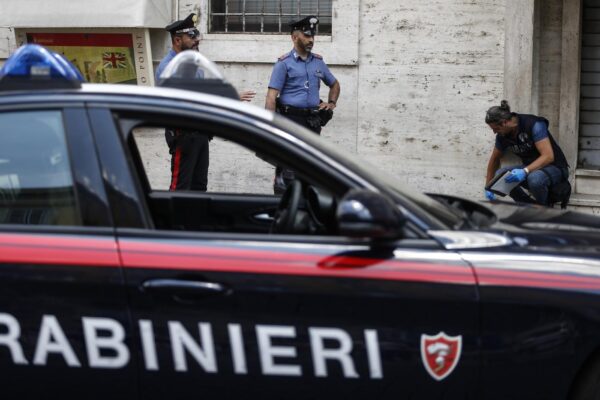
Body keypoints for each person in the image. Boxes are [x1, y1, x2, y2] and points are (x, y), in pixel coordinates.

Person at [155, 13, 256, 191]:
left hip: (200, 132)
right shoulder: (168, 67)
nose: (196, 40)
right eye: (191, 36)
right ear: (177, 40)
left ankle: (195, 219)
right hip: (183, 134)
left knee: (199, 186)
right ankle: (175, 220)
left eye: (196, 35)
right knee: (181, 186)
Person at [265, 16, 340, 194]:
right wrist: (269, 127)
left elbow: (334, 84)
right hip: (290, 120)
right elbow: (270, 97)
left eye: (312, 36)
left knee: (310, 168)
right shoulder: (284, 64)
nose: (311, 40)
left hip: (312, 122)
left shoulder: (318, 61)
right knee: (288, 170)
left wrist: (331, 103)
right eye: (306, 36)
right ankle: (283, 208)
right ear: (294, 37)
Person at [484, 100, 570, 206]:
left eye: (496, 128)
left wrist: (525, 171)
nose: (495, 132)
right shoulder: (502, 136)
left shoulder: (534, 124)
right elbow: (495, 159)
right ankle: (530, 206)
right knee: (499, 176)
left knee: (534, 178)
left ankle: (545, 207)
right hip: (530, 168)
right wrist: (488, 186)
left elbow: (548, 157)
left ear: (505, 122)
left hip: (555, 167)